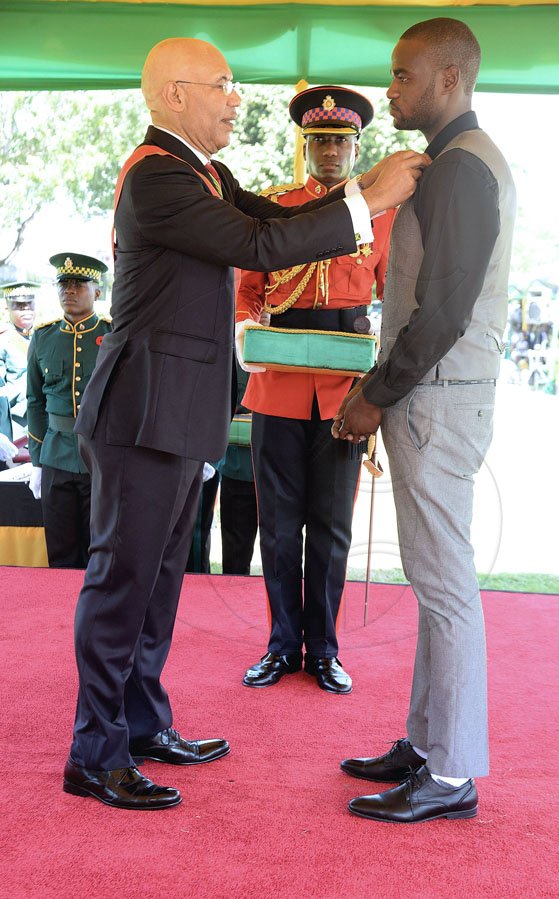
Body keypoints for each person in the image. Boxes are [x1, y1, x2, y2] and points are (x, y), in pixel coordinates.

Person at [63, 36, 428, 812]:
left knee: (159, 586)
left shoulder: (206, 172)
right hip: (143, 411)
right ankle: (94, 754)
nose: (237, 99)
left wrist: (363, 186)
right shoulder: (157, 177)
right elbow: (262, 244)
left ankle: (141, 723)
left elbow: (275, 214)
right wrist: (373, 199)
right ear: (174, 96)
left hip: (179, 408)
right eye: (224, 85)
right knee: (123, 584)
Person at [333, 18, 516, 822]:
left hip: (435, 393)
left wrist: (375, 391)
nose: (391, 88)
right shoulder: (449, 164)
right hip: (438, 393)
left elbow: (441, 311)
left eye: (403, 76)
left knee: (445, 586)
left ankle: (449, 775)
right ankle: (428, 741)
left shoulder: (461, 170)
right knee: (434, 579)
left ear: (449, 79)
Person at [237, 85, 396, 694]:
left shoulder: (380, 215)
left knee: (331, 527)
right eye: (319, 141)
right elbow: (247, 287)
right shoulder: (274, 206)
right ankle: (280, 647)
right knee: (277, 524)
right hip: (277, 381)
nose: (329, 152)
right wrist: (252, 332)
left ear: (357, 146)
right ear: (304, 146)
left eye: (340, 141)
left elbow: (389, 293)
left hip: (343, 389)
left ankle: (323, 649)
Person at [26, 254, 111, 567]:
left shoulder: (113, 335)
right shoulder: (43, 337)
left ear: (97, 291)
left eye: (79, 283)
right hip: (56, 454)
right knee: (59, 551)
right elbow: (34, 400)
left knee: (99, 551)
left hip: (101, 457)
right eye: (63, 284)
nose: (70, 291)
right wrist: (37, 460)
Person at [215, 362, 258, 576]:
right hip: (238, 462)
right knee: (235, 560)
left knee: (284, 551)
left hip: (283, 467)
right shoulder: (231, 335)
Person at [0, 281, 38, 443]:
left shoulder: (44, 335)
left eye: (29, 304)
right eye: (19, 306)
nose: (26, 309)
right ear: (7, 308)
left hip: (44, 416)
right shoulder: (3, 341)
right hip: (15, 423)